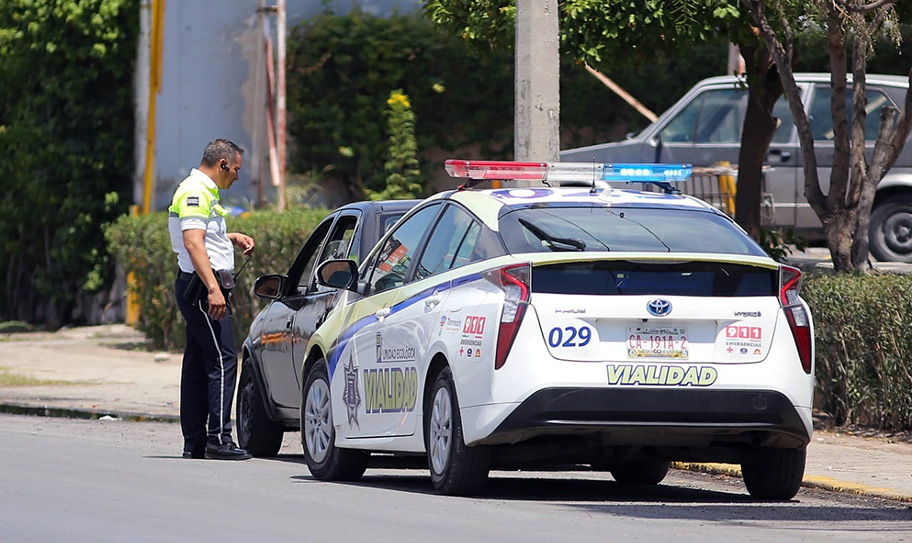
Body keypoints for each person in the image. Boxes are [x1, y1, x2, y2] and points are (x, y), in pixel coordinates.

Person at [168, 139, 255, 460]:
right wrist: (214, 289)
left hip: (200, 286)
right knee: (223, 359)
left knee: (197, 363)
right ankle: (219, 439)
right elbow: (192, 244)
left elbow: (201, 235)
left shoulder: (204, 192)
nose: (236, 176)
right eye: (235, 169)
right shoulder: (195, 191)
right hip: (204, 288)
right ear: (222, 164)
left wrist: (229, 237)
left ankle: (195, 442)